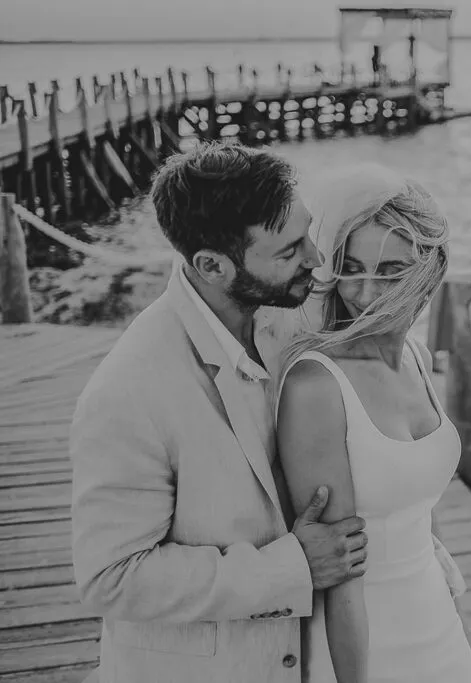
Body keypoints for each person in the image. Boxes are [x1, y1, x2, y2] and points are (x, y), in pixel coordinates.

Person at [69, 142, 369, 683]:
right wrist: (291, 568)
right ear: (211, 265)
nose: (316, 261)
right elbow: (110, 577)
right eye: (289, 250)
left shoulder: (290, 320)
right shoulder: (127, 392)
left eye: (308, 234)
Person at [274, 164, 471, 683]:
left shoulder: (414, 355)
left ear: (429, 268)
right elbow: (341, 574)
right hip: (362, 640)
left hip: (435, 613)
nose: (366, 294)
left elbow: (417, 501)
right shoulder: (317, 386)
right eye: (353, 268)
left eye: (391, 271)